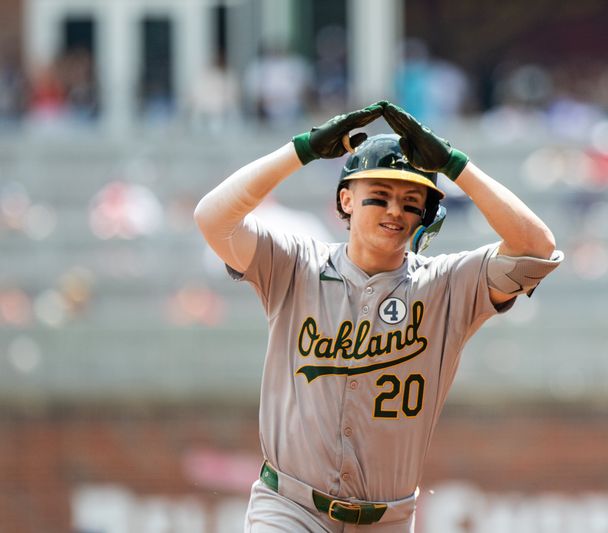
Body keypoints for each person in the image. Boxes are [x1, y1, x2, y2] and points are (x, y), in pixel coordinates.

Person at [194, 101, 563, 532]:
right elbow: (213, 218)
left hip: (387, 519)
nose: (395, 211)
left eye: (411, 201)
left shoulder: (445, 284)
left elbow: (537, 248)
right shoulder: (295, 263)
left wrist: (453, 165)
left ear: (426, 215)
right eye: (380, 195)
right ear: (346, 199)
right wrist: (302, 149)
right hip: (289, 508)